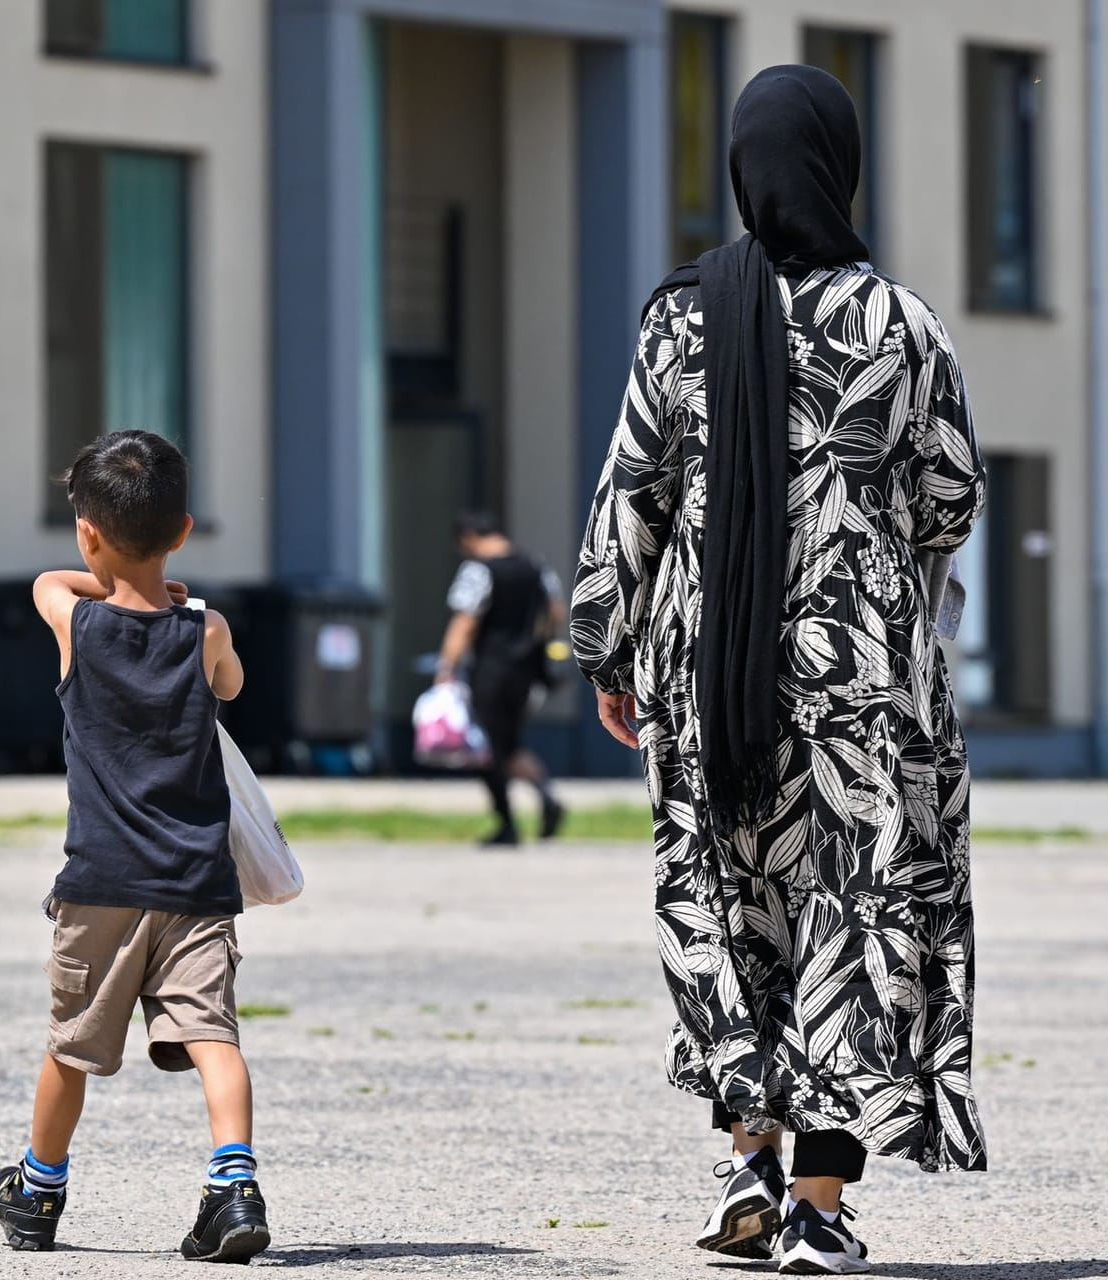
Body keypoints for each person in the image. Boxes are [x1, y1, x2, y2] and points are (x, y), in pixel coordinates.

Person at [571, 65, 988, 1275]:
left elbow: (631, 496)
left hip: (709, 670)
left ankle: (748, 1161)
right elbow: (950, 496)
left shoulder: (680, 316)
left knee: (728, 900)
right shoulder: (902, 326)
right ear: (839, 164)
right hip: (863, 678)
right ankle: (817, 1202)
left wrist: (609, 646)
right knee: (850, 921)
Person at [0, 430, 269, 1262]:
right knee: (215, 1036)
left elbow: (50, 580)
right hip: (195, 883)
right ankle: (233, 1187)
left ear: (87, 531)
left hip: (100, 881)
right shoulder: (205, 629)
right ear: (184, 529)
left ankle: (37, 1191)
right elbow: (234, 687)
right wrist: (177, 598)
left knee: (72, 1045)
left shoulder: (75, 618)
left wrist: (113, 575)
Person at [436, 512, 567, 847]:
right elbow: (556, 612)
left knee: (486, 748)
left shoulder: (479, 570)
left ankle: (507, 824)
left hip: (491, 670)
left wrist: (446, 668)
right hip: (528, 671)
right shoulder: (536, 567)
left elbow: (465, 621)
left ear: (467, 537)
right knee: (507, 743)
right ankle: (546, 797)